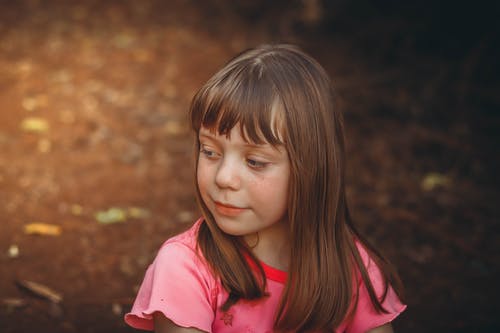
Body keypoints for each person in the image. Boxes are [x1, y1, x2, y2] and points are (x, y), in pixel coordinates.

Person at [124, 44, 406, 333]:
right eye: (210, 151)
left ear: (311, 169)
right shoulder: (184, 268)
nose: (224, 177)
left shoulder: (353, 269)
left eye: (255, 161)